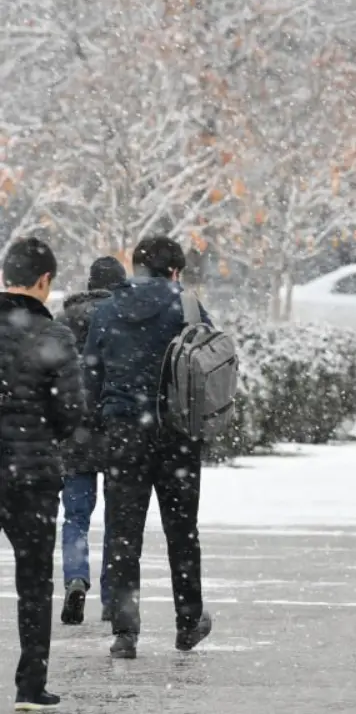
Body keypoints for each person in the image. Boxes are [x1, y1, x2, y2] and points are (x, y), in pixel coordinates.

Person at [85, 237, 214, 660]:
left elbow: (90, 375)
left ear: (135, 268)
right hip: (177, 434)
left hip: (124, 434)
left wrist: (98, 422)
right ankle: (188, 621)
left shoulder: (105, 310)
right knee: (182, 532)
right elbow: (209, 365)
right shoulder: (189, 306)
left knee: (123, 533)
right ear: (175, 270)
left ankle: (125, 631)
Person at [0, 238, 86, 710]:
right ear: (45, 281)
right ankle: (30, 687)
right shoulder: (56, 338)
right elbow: (72, 412)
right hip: (31, 476)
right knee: (33, 581)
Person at [57, 255, 125, 626]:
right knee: (118, 519)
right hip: (118, 430)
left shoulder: (64, 321)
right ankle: (113, 597)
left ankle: (76, 579)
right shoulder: (125, 319)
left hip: (75, 433)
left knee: (76, 518)